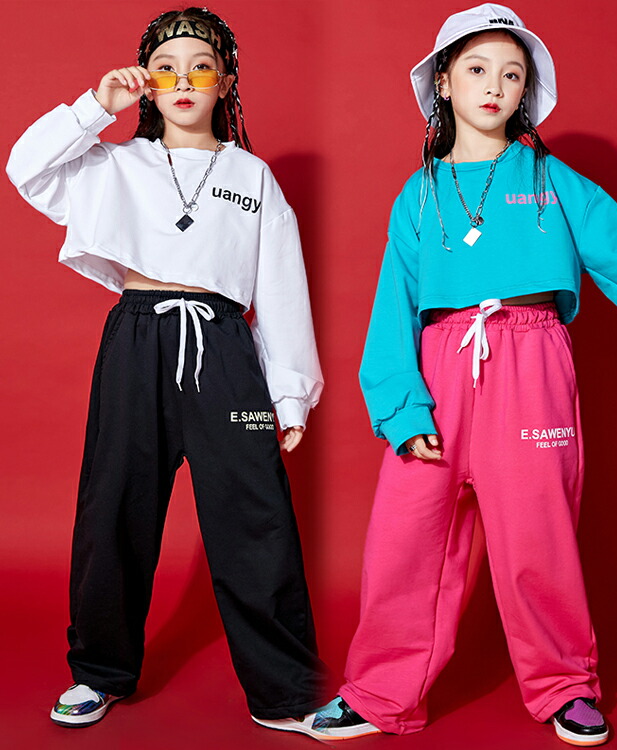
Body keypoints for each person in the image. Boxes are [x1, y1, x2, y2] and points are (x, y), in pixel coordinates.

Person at [258, 3, 617, 746]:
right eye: (478, 68)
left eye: (512, 74)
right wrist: (402, 409)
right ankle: (382, 691)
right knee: (405, 540)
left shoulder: (555, 182)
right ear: (444, 83)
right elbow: (393, 312)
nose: (495, 85)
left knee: (536, 536)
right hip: (439, 369)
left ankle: (564, 685)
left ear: (526, 92)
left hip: (531, 364)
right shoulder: (418, 194)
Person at [6, 7, 327, 729]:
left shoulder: (252, 177)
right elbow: (24, 167)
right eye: (166, 68)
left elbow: (280, 285)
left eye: (201, 68)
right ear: (147, 83)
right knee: (114, 508)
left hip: (225, 349)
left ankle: (285, 690)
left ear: (226, 82)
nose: (184, 81)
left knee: (256, 514)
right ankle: (99, 672)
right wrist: (96, 108)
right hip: (136, 339)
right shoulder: (113, 163)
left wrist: (291, 396)